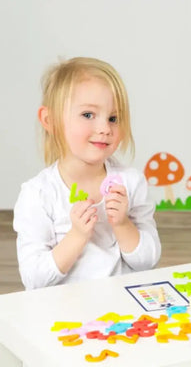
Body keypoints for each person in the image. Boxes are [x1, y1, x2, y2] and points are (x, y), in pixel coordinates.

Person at [13, 57, 161, 289]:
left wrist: (122, 224)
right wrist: (77, 235)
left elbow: (148, 261)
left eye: (113, 118)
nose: (104, 129)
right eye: (88, 115)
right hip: (66, 317)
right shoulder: (38, 195)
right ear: (50, 120)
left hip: (124, 313)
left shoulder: (131, 183)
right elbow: (34, 279)